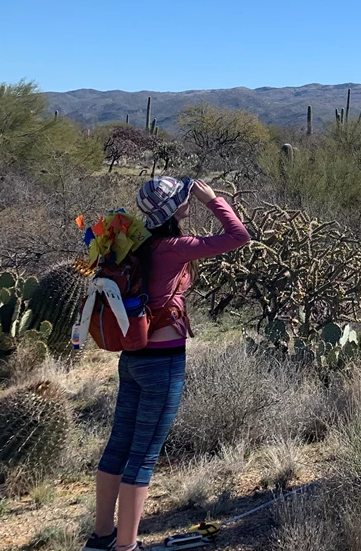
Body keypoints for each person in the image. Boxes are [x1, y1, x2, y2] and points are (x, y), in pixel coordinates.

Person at [84, 177, 249, 551]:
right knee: (143, 456)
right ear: (172, 211)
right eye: (182, 200)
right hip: (163, 362)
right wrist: (214, 201)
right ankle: (127, 546)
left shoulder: (130, 245)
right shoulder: (174, 248)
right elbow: (239, 236)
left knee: (118, 447)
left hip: (132, 358)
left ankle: (102, 538)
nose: (187, 201)